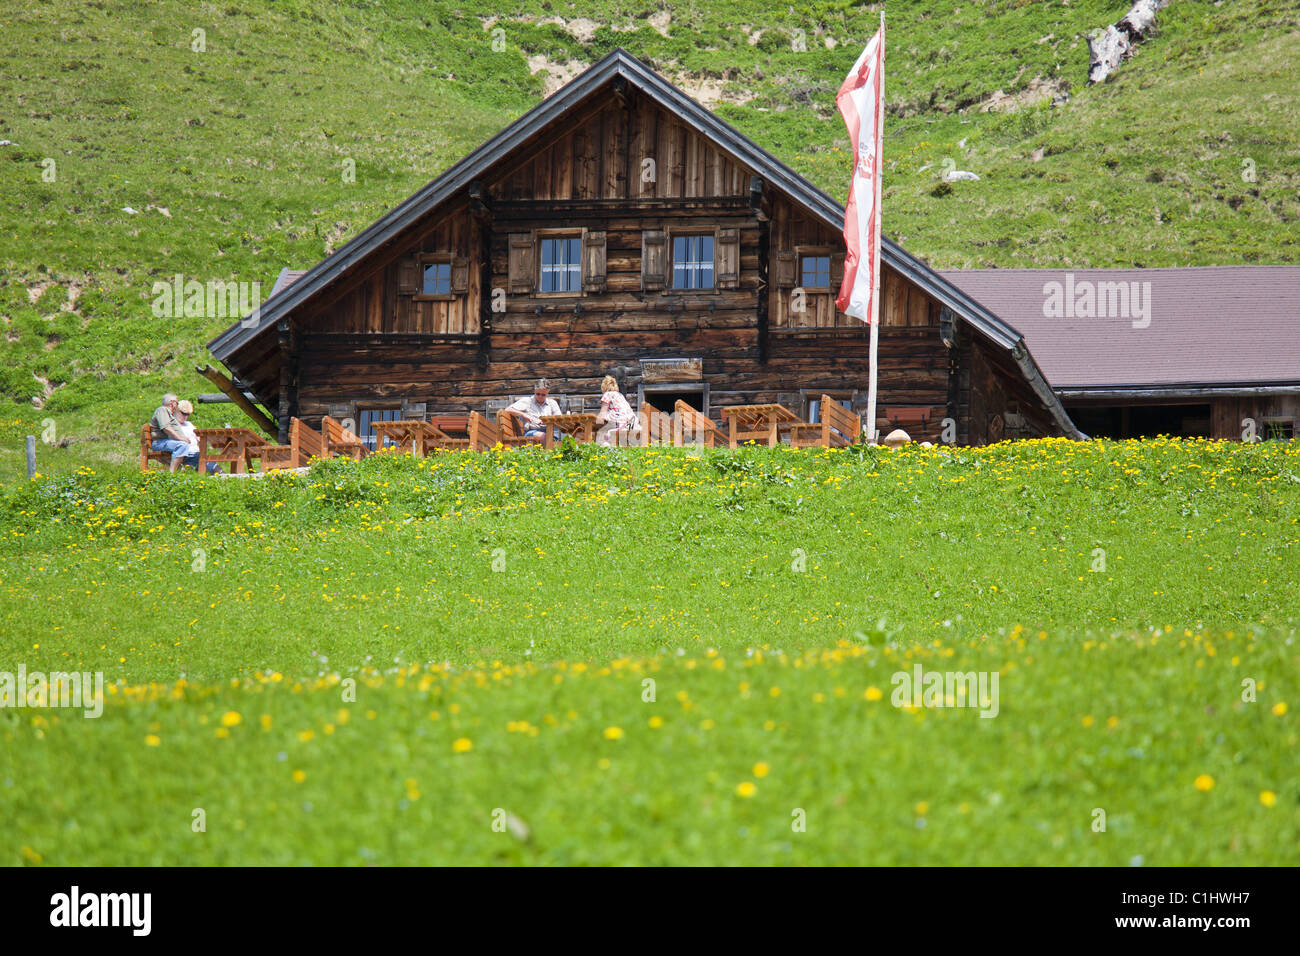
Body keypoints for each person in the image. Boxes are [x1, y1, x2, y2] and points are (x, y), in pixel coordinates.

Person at [149, 393, 198, 472]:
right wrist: (181, 438)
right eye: (177, 403)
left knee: (185, 446)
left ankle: (179, 471)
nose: (177, 405)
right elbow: (166, 428)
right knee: (182, 445)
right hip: (159, 443)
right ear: (172, 403)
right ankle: (172, 473)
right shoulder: (162, 410)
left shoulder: (169, 413)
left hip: (166, 442)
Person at [175, 400, 220, 474]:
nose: (185, 417)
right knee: (209, 464)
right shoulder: (173, 425)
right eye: (183, 413)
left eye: (188, 414)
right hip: (187, 455)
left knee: (210, 462)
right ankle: (223, 477)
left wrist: (212, 443)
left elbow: (200, 436)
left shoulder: (189, 424)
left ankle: (223, 477)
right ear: (177, 411)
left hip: (197, 453)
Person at [595, 374, 638, 447]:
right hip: (631, 423)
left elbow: (602, 414)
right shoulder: (620, 395)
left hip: (620, 425)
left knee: (600, 436)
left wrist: (596, 421)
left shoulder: (607, 394)